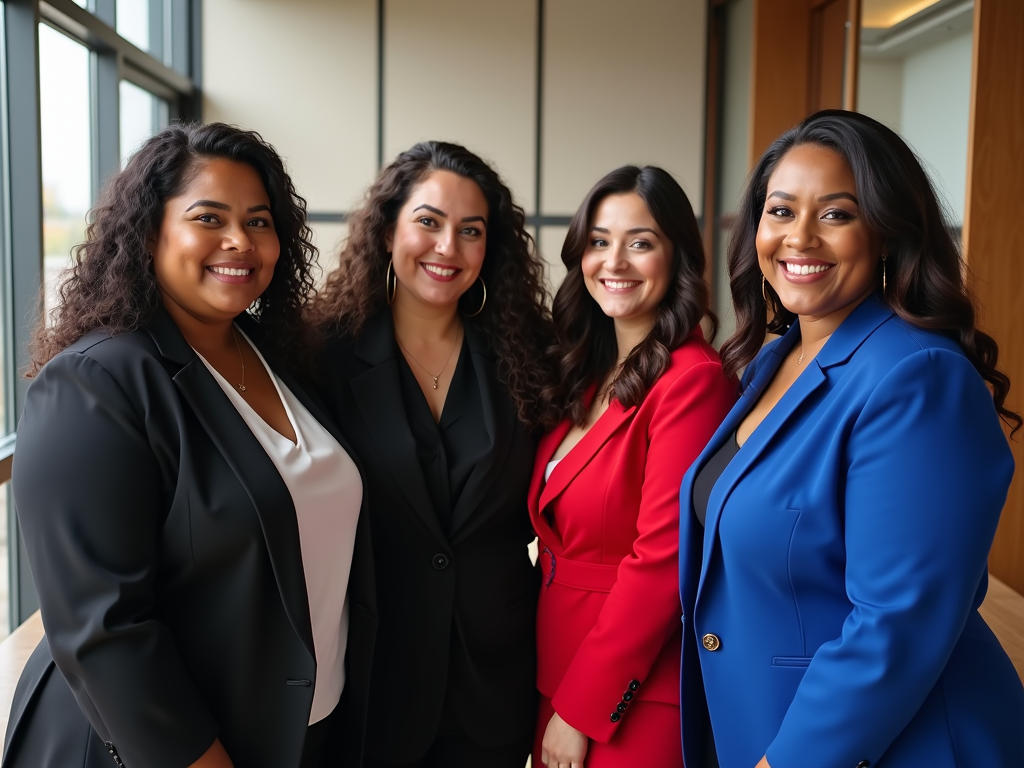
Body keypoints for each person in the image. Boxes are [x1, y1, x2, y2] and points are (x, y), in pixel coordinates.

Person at [3, 123, 375, 768]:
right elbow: (104, 628)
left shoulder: (275, 356)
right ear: (150, 231)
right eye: (210, 217)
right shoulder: (95, 382)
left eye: (260, 221)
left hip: (293, 727)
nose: (240, 241)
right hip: (164, 746)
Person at [678, 109, 1024, 768]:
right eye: (780, 212)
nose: (799, 237)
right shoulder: (773, 359)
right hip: (767, 724)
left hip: (886, 746)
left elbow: (896, 621)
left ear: (888, 233)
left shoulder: (916, 377)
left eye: (836, 215)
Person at [311, 141, 553, 768]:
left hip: (494, 678)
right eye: (428, 222)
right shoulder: (320, 357)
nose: (448, 247)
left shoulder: (531, 356)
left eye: (470, 231)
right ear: (389, 229)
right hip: (370, 673)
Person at [531, 166, 736, 768]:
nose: (614, 261)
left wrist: (581, 708)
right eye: (599, 241)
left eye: (640, 242)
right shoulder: (590, 373)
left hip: (632, 691)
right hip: (557, 667)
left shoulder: (692, 380)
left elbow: (662, 561)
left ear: (677, 258)